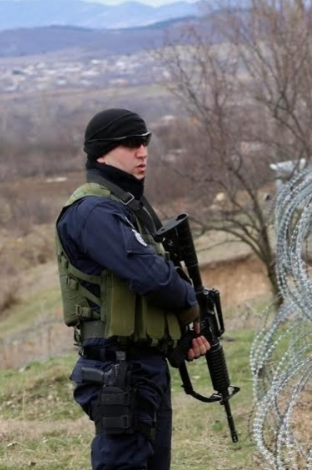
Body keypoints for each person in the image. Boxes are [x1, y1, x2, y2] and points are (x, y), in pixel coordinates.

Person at [55, 108, 211, 470]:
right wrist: (191, 304)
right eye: (131, 144)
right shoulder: (93, 211)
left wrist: (176, 336)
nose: (143, 152)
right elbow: (151, 277)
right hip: (118, 367)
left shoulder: (125, 208)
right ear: (101, 152)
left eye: (145, 143)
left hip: (142, 364)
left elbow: (143, 289)